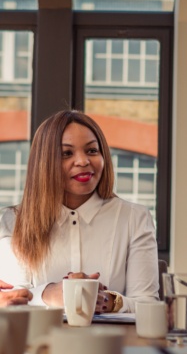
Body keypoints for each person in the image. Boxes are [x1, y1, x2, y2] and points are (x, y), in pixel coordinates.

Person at [0, 110, 159, 313]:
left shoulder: (135, 218)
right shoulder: (14, 221)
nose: (83, 161)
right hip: (38, 341)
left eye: (92, 151)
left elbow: (148, 304)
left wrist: (110, 302)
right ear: (44, 163)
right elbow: (11, 300)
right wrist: (50, 294)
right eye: (67, 153)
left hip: (112, 342)